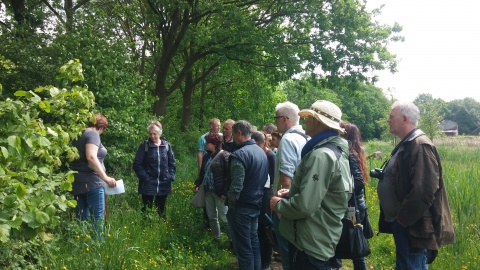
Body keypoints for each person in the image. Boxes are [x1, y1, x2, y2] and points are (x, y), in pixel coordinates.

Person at [270, 100, 353, 269]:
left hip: (310, 243)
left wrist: (278, 204)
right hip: (322, 238)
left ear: (316, 122)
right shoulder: (336, 151)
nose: (305, 121)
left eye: (308, 118)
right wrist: (292, 192)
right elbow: (324, 194)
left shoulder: (321, 155)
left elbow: (305, 206)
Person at [377, 101, 455, 269]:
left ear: (404, 119)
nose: (388, 120)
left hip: (413, 225)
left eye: (391, 117)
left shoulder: (420, 145)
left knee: (411, 265)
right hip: (407, 223)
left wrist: (402, 220)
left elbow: (424, 190)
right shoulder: (408, 142)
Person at [227, 120, 269, 270]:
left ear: (239, 133)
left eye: (232, 134)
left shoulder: (239, 155)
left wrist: (231, 203)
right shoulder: (261, 152)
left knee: (244, 249)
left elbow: (237, 185)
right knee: (254, 244)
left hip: (242, 207)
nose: (232, 138)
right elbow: (264, 179)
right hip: (256, 204)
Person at [272, 101, 309, 270]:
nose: (275, 122)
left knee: (287, 252)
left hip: (287, 205)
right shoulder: (307, 137)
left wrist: (280, 207)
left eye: (276, 118)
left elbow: (286, 178)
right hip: (303, 203)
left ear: (285, 119)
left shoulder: (287, 139)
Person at [71, 113, 117, 241]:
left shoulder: (78, 134)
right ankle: (98, 253)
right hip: (93, 183)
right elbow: (91, 157)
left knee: (81, 221)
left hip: (77, 182)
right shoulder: (93, 134)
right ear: (102, 128)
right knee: (98, 221)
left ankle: (81, 250)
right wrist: (106, 178)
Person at [330, 122, 370, 270]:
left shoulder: (350, 155)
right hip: (356, 204)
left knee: (355, 243)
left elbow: (358, 182)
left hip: (351, 207)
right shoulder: (356, 152)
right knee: (351, 242)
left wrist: (341, 191)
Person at [133, 121, 176, 219]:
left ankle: (161, 230)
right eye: (150, 134)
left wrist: (170, 176)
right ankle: (145, 229)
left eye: (154, 134)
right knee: (146, 209)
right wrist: (146, 177)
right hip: (148, 183)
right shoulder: (145, 146)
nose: (152, 136)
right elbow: (137, 164)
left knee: (161, 209)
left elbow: (172, 163)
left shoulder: (166, 146)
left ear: (159, 133)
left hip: (164, 183)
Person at [194, 133, 231, 242]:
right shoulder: (206, 156)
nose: (206, 144)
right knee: (212, 217)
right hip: (208, 190)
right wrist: (198, 184)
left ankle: (232, 240)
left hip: (219, 192)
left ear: (215, 144)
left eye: (208, 142)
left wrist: (225, 192)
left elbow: (228, 176)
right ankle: (217, 238)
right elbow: (202, 173)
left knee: (224, 218)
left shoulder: (225, 156)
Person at [252, 131, 276, 270]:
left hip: (267, 194)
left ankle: (266, 263)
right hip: (259, 193)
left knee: (265, 228)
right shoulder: (259, 154)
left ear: (263, 143)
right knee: (259, 229)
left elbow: (271, 178)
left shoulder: (270, 156)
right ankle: (260, 261)